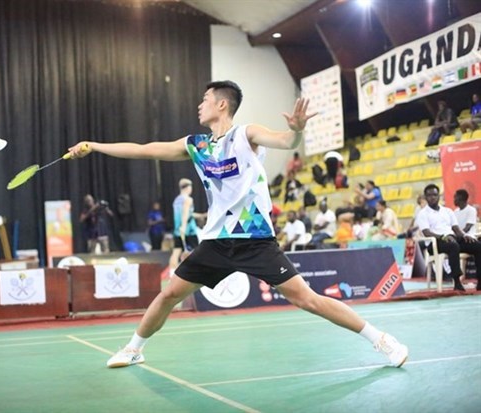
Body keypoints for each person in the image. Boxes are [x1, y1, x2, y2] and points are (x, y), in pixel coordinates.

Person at [67, 80, 408, 369]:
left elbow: (285, 141)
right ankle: (134, 349)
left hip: (255, 239)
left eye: (204, 99)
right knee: (169, 293)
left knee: (307, 299)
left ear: (222, 103)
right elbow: (145, 150)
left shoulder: (246, 134)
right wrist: (94, 146)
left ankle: (380, 339)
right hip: (216, 241)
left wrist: (297, 129)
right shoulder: (196, 145)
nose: (199, 105)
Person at [415, 184, 481, 291]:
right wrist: (443, 237)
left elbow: (456, 230)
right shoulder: (423, 213)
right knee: (453, 245)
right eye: (429, 195)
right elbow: (427, 233)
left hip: (451, 238)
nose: (432, 197)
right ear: (425, 197)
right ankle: (457, 281)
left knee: (477, 245)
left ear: (439, 196)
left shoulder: (448, 211)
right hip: (435, 242)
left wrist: (466, 236)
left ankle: (480, 280)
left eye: (435, 195)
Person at [167, 178, 204, 274]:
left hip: (178, 230)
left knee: (176, 252)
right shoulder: (188, 199)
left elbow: (187, 213)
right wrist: (184, 226)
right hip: (189, 230)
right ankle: (195, 273)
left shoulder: (176, 200)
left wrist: (201, 215)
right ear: (188, 187)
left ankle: (172, 274)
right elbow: (185, 213)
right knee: (195, 252)